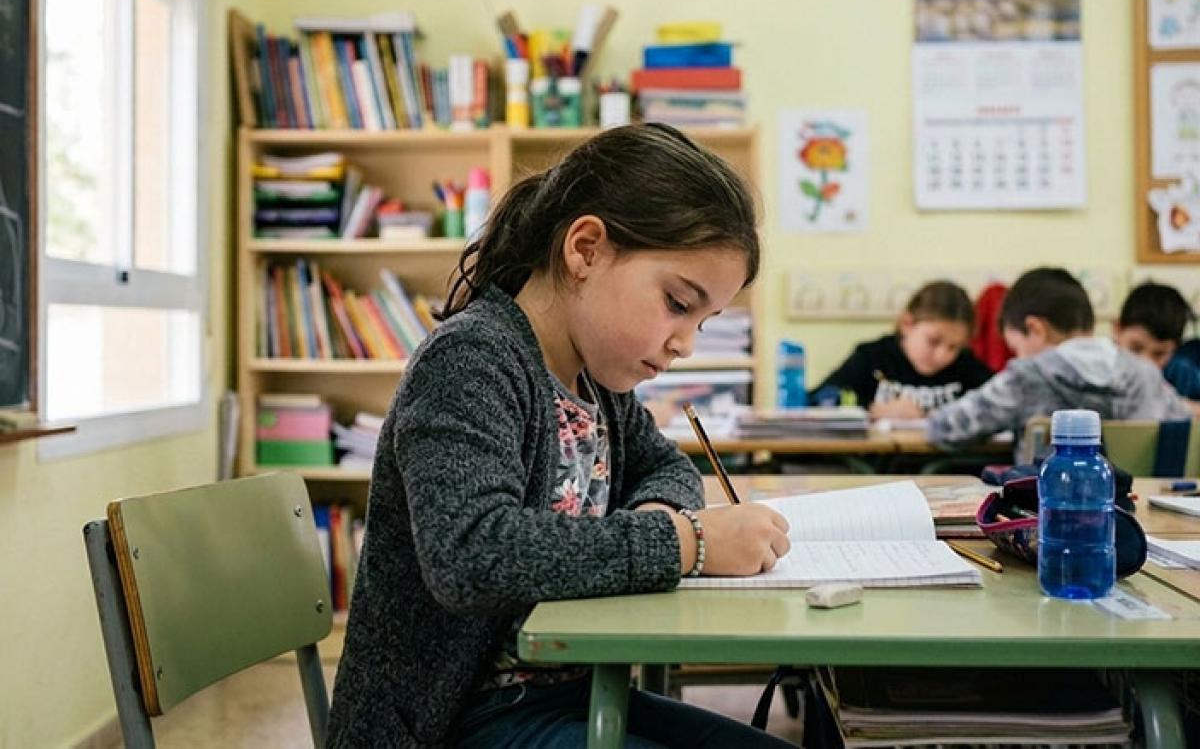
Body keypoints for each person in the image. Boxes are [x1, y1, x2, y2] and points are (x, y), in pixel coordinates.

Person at [326, 123, 795, 748]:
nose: (685, 343)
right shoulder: (471, 360)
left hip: (565, 695)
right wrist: (686, 542)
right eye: (679, 304)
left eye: (703, 322)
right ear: (586, 249)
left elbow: (668, 468)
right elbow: (471, 555)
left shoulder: (596, 386)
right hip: (454, 724)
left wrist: (661, 516)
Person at [928, 268, 1192, 451]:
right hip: (1140, 520)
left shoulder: (1027, 375)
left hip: (1049, 519)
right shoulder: (1146, 374)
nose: (1017, 356)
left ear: (1035, 329)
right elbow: (1184, 419)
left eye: (1016, 347)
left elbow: (945, 428)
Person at [812, 280, 993, 419]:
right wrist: (873, 410)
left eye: (954, 347)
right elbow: (818, 399)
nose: (942, 355)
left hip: (948, 465)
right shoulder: (872, 357)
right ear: (907, 324)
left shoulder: (967, 367)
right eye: (933, 341)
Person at [1114, 281, 1200, 401]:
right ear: (1117, 330)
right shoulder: (1097, 369)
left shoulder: (1182, 374)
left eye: (1159, 354)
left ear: (1175, 350)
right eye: (1136, 349)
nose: (1145, 363)